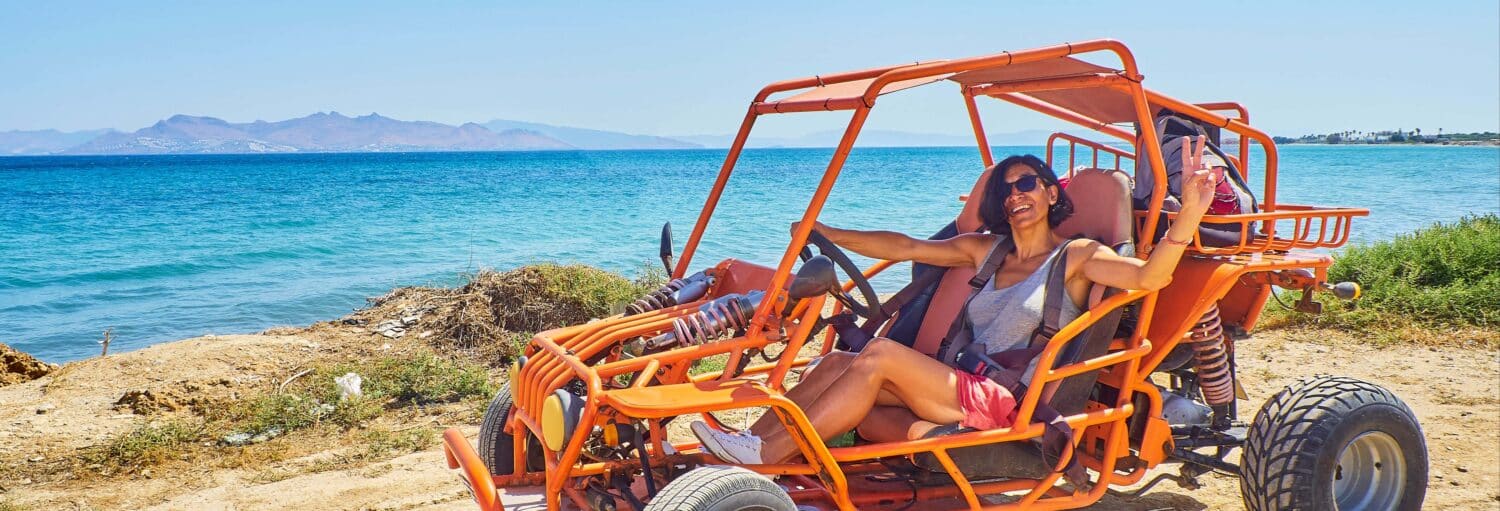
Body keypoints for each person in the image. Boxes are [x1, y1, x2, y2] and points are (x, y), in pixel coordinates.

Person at [693, 144, 1219, 465]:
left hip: (1002, 398)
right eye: (1007, 188)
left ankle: (765, 456)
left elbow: (1151, 277)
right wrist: (825, 230)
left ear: (1052, 195)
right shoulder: (989, 250)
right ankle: (749, 445)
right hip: (954, 383)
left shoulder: (1077, 256)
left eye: (1028, 183)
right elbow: (905, 247)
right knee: (837, 362)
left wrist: (1190, 213)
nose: (1016, 193)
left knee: (877, 355)